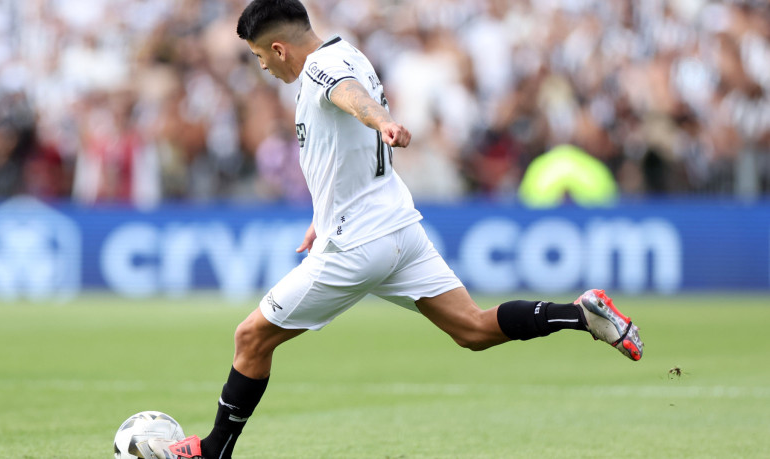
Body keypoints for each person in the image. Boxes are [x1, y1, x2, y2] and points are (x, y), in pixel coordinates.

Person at [141, 1, 643, 458]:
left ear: (277, 47)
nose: (262, 66)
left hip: (359, 243)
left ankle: (211, 452)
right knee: (472, 328)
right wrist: (321, 216)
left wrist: (381, 122)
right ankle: (582, 315)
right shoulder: (350, 52)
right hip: (399, 229)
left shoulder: (321, 69)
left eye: (257, 56)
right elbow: (341, 144)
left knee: (251, 337)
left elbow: (351, 98)